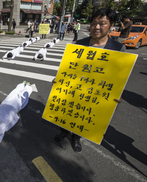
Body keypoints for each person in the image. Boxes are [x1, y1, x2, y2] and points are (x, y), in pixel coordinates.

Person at [53, 8, 125, 153]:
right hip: (74, 89)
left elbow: (119, 76)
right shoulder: (79, 44)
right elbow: (69, 68)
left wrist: (118, 95)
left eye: (102, 23)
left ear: (111, 26)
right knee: (68, 112)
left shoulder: (118, 48)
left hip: (96, 93)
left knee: (85, 116)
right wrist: (59, 80)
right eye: (94, 23)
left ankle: (76, 138)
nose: (97, 27)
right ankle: (64, 131)